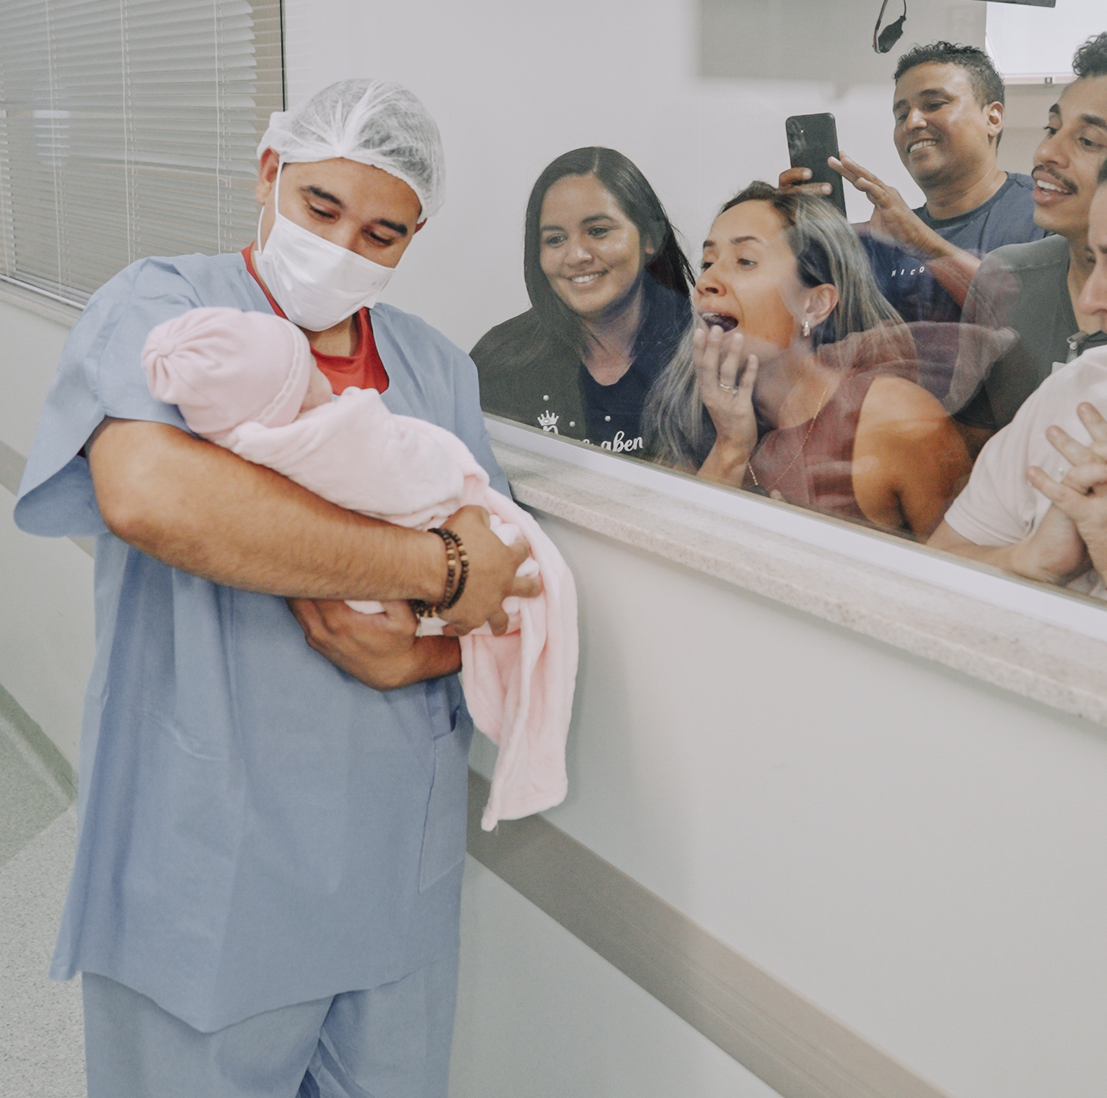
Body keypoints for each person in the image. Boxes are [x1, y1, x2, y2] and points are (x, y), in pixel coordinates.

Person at [14, 77, 540, 1098]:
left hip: (389, 838)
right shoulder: (166, 305)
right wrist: (426, 567)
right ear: (267, 172)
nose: (343, 246)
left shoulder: (435, 368)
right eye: (321, 205)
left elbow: (498, 588)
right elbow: (154, 492)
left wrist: (432, 633)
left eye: (382, 229)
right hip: (206, 844)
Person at [141, 303, 578, 833]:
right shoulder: (169, 304)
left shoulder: (437, 361)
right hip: (246, 751)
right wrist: (450, 550)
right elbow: (144, 497)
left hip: (400, 763)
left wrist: (420, 653)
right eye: (308, 369)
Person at [929, 113, 1107, 626]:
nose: (1093, 300)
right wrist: (1030, 560)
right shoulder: (1080, 391)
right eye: (1094, 262)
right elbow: (933, 575)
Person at [643, 183, 970, 537]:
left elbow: (966, 564)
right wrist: (730, 448)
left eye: (745, 261)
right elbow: (668, 551)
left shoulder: (894, 418)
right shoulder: (686, 411)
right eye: (707, 262)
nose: (706, 280)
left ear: (814, 305)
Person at [957, 34, 1107, 429]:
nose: (1045, 153)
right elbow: (969, 440)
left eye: (1087, 141)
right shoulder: (1005, 278)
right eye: (1051, 128)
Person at [782, 40, 1039, 321]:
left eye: (934, 104)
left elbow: (1036, 320)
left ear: (993, 118)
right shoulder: (883, 236)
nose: (912, 123)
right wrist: (787, 233)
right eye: (901, 114)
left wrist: (921, 242)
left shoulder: (1041, 213)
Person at [472, 145, 693, 455]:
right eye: (555, 239)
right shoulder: (500, 361)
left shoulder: (705, 359)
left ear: (650, 238)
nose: (576, 255)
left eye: (598, 231)